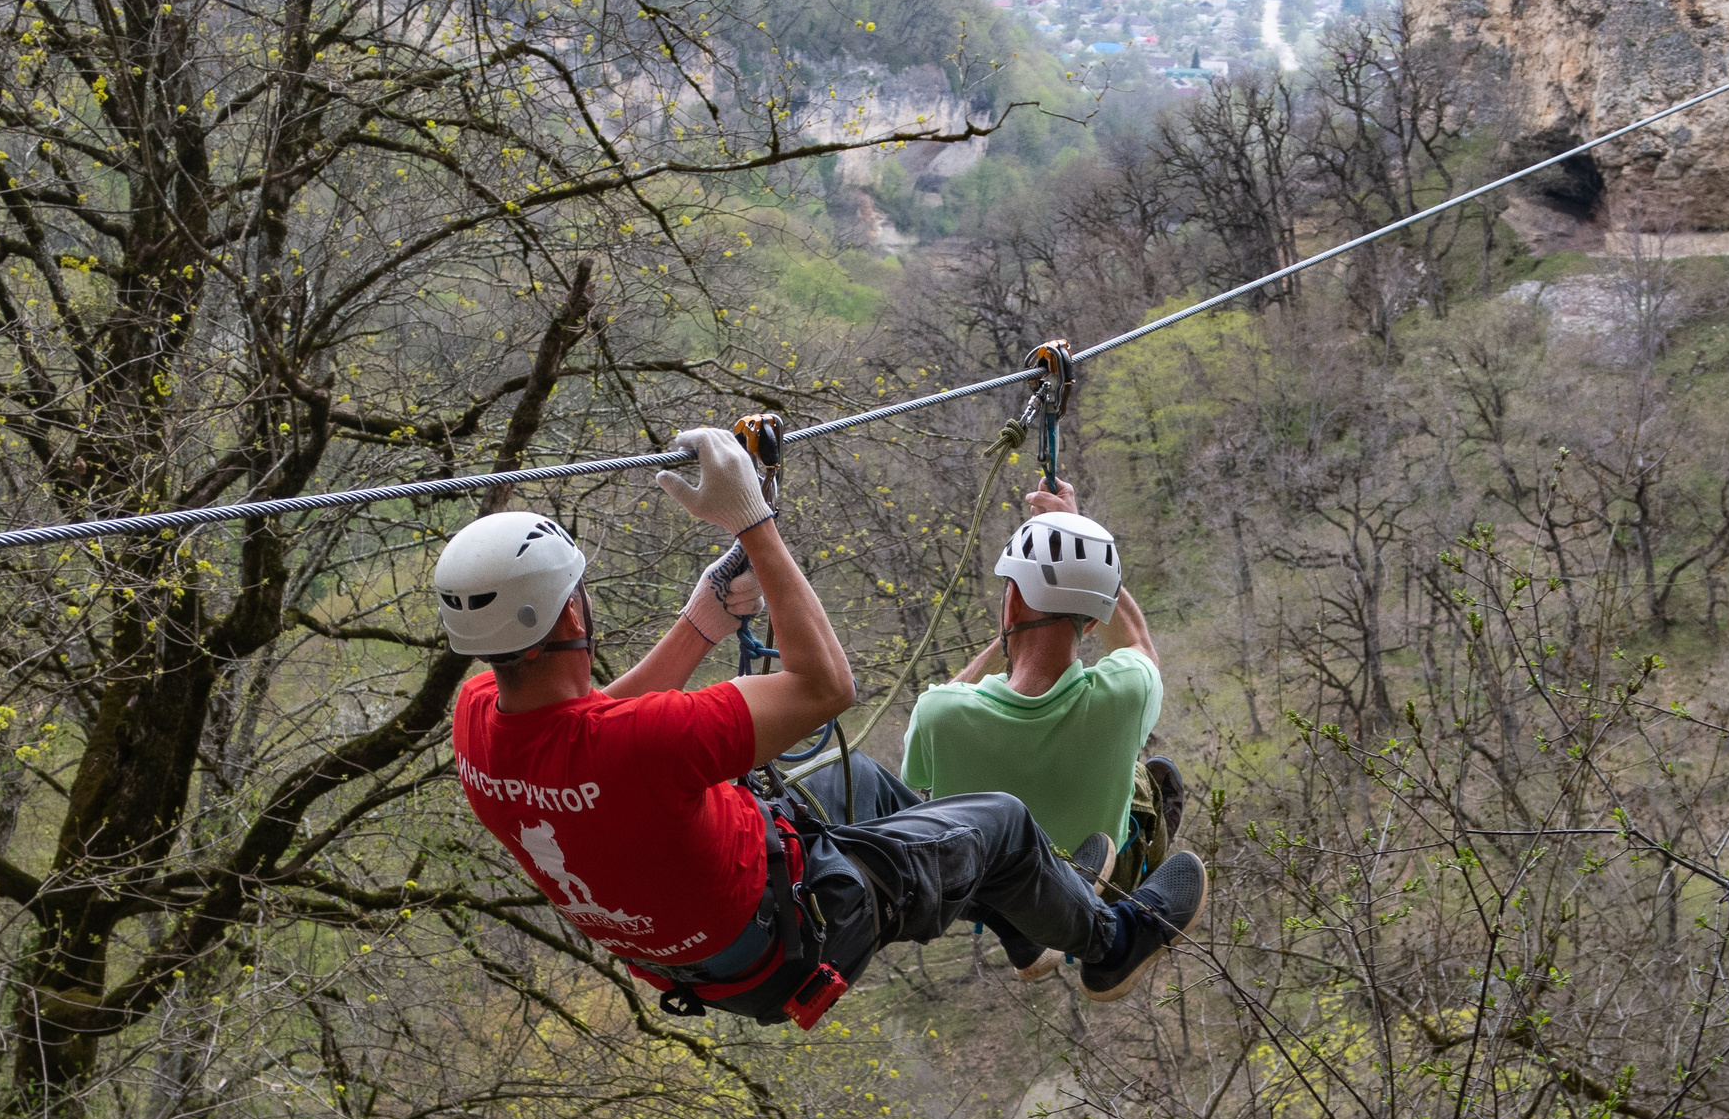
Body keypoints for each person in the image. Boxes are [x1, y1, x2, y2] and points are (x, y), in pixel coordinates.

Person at [437, 427, 1206, 1024]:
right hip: (794, 932)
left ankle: (1023, 919)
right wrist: (753, 523)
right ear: (573, 609)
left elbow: (590, 727)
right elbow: (826, 685)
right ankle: (1110, 944)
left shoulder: (476, 722)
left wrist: (702, 620)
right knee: (1001, 824)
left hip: (701, 946)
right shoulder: (648, 745)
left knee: (858, 780)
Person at [900, 484, 1188, 974]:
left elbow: (920, 751)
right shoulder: (1125, 696)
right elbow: (1138, 644)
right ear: (1093, 621)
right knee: (1157, 777)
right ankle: (1099, 903)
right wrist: (1087, 557)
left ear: (1010, 606)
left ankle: (1029, 928)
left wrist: (999, 644)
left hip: (991, 894)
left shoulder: (941, 715)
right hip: (1110, 867)